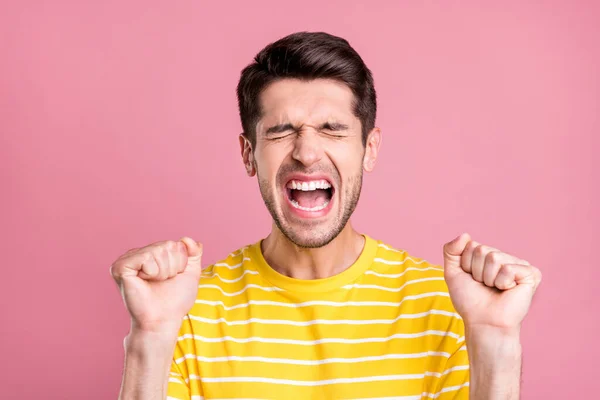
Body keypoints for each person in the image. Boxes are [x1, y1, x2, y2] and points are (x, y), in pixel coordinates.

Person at [110, 32, 542, 400]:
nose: (307, 151)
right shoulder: (186, 309)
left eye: (333, 130)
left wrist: (494, 341)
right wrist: (149, 336)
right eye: (281, 131)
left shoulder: (448, 306)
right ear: (248, 154)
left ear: (369, 149)